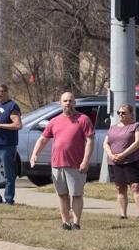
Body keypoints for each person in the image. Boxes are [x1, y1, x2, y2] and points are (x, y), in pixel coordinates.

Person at [28, 92, 94, 230]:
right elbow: (43, 139)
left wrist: (85, 161)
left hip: (76, 164)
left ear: (74, 103)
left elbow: (90, 141)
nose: (68, 103)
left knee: (76, 194)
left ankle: (76, 223)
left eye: (70, 100)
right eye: (65, 101)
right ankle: (65, 222)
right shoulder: (54, 121)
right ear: (60, 103)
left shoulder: (83, 119)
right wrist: (35, 154)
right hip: (57, 164)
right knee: (62, 195)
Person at [105, 103, 139, 220]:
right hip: (115, 162)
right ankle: (123, 214)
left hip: (133, 161)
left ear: (131, 114)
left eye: (124, 113)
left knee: (135, 187)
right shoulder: (113, 127)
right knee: (120, 187)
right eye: (119, 112)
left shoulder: (136, 126)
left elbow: (137, 142)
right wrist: (111, 155)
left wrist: (123, 155)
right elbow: (106, 143)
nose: (121, 114)